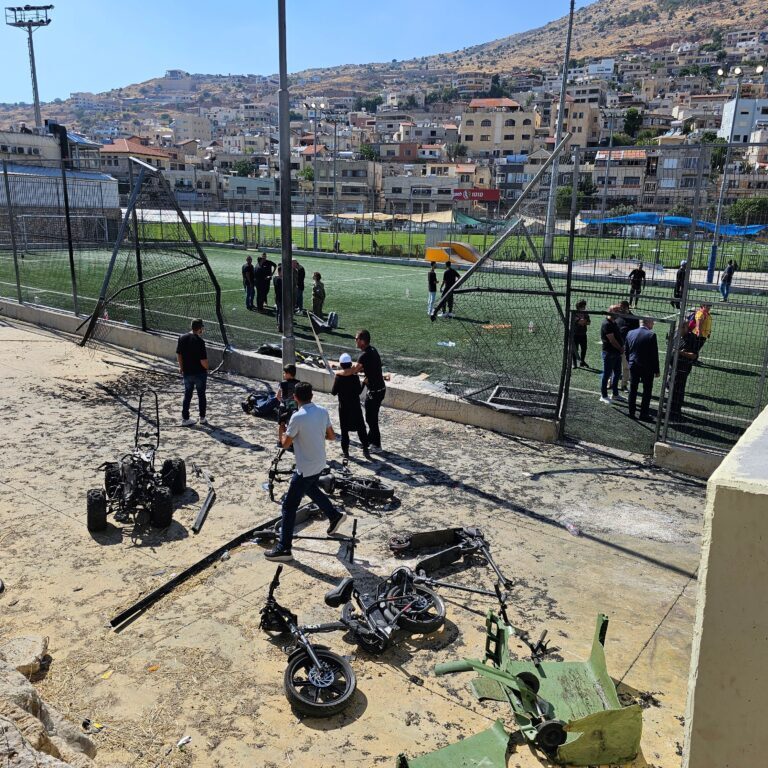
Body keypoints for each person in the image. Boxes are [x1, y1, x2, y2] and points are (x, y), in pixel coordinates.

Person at [265, 382, 346, 561]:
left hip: (306, 467)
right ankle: (334, 515)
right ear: (312, 395)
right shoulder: (323, 411)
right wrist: (313, 434)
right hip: (319, 463)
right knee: (311, 489)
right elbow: (331, 436)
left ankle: (284, 548)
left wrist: (283, 427)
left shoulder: (297, 417)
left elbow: (285, 444)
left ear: (295, 397)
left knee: (288, 506)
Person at [337, 329, 386, 449]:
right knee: (371, 417)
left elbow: (353, 371)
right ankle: (370, 440)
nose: (355, 341)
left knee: (371, 418)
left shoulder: (364, 355)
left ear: (362, 341)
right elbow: (371, 368)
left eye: (357, 339)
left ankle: (376, 444)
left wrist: (338, 372)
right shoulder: (372, 350)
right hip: (379, 389)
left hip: (375, 392)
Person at [331, 353, 371, 460]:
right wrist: (364, 383)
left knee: (344, 431)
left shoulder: (338, 377)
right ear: (350, 364)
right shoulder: (355, 377)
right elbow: (358, 392)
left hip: (344, 408)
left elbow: (333, 392)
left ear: (341, 364)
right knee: (361, 428)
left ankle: (346, 452)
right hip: (355, 407)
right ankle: (366, 449)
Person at [624, 318, 660, 422]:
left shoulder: (630, 333)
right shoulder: (651, 335)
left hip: (634, 366)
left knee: (633, 389)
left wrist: (630, 362)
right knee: (647, 391)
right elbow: (654, 355)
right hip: (647, 368)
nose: (653, 324)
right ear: (647, 322)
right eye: (652, 322)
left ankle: (631, 412)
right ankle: (643, 414)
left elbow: (626, 351)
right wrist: (656, 370)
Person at [176, 319, 209, 427]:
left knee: (187, 395)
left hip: (187, 372)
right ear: (200, 329)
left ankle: (185, 418)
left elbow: (179, 354)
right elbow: (203, 361)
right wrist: (207, 368)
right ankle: (202, 417)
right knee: (201, 395)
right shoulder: (200, 342)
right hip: (199, 373)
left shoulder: (182, 338)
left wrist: (181, 367)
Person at [669, 321, 698, 420]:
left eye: (680, 329)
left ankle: (676, 411)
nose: (678, 331)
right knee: (672, 388)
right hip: (673, 368)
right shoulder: (677, 335)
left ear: (685, 328)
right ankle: (671, 407)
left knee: (679, 390)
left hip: (682, 369)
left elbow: (694, 355)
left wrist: (680, 353)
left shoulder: (692, 338)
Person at [599, 305, 625, 404]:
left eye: (619, 310)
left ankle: (615, 394)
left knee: (617, 373)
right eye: (616, 311)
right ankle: (603, 395)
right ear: (610, 311)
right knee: (607, 374)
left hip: (616, 353)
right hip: (609, 353)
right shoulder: (607, 324)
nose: (618, 313)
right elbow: (612, 339)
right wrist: (620, 348)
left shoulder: (613, 322)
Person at [615, 300, 639, 392]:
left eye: (621, 307)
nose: (619, 309)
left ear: (626, 308)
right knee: (613, 365)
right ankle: (611, 383)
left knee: (626, 367)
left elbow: (635, 334)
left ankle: (624, 385)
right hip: (616, 345)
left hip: (626, 347)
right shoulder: (617, 316)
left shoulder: (634, 319)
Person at [571, 299, 590, 368]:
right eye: (583, 306)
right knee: (575, 349)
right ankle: (574, 363)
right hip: (575, 334)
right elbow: (581, 322)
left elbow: (589, 322)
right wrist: (583, 321)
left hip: (583, 334)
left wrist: (583, 321)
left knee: (584, 348)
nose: (584, 307)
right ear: (579, 306)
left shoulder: (585, 314)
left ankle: (582, 361)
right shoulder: (574, 313)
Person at [273, 265, 283, 331]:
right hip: (280, 297)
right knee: (280, 312)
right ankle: (280, 326)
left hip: (277, 297)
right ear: (280, 272)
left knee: (278, 311)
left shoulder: (275, 278)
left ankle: (278, 324)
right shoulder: (279, 280)